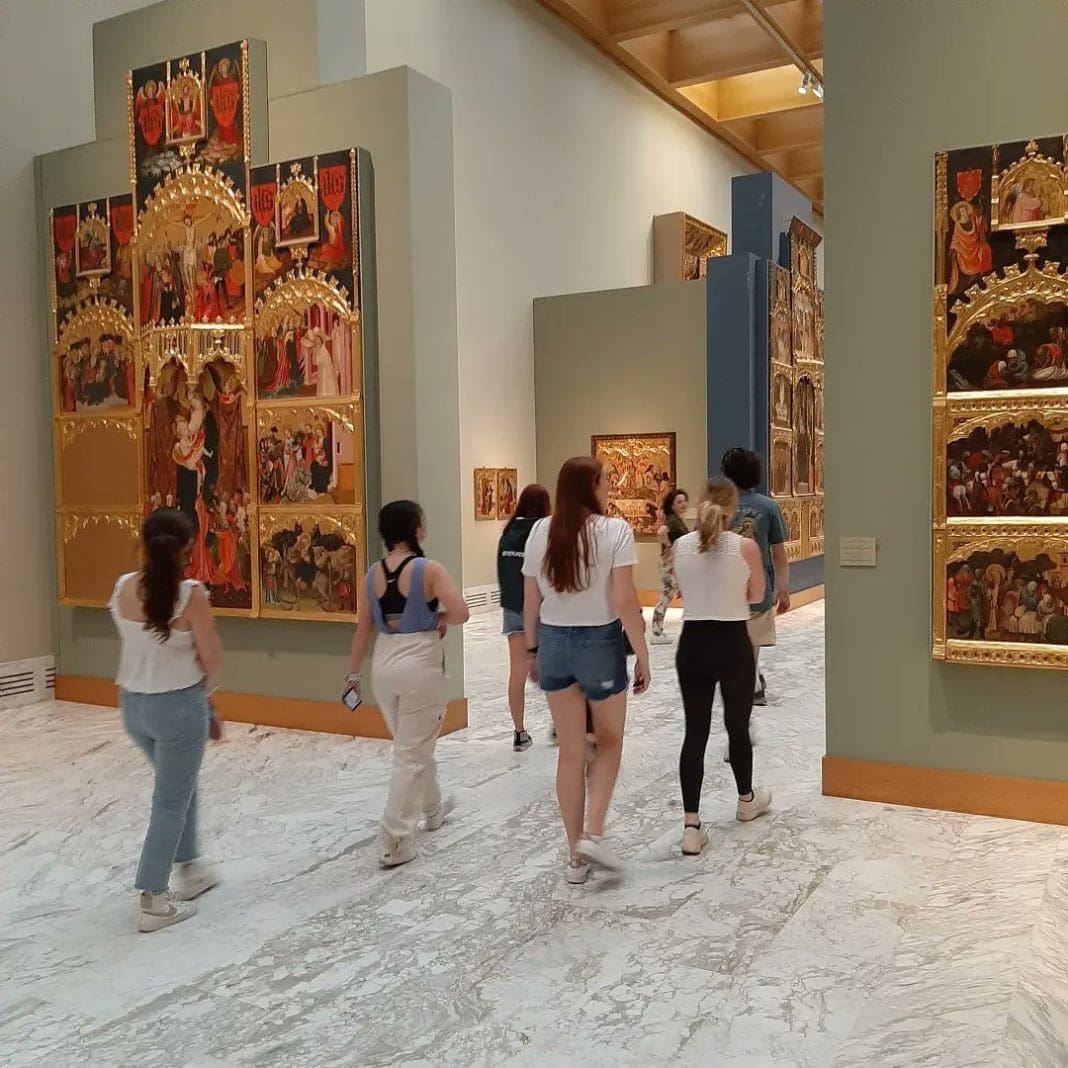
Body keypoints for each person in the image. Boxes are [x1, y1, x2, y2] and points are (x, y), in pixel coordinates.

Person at [522, 457, 650, 884]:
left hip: (553, 642)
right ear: (592, 485)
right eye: (606, 481)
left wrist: (532, 650)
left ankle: (575, 858)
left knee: (571, 751)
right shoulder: (615, 531)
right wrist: (643, 653)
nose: (610, 487)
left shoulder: (540, 531)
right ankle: (593, 833)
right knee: (610, 742)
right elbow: (624, 600)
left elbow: (530, 601)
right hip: (599, 641)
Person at [108, 509, 222, 933]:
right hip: (178, 708)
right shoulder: (190, 594)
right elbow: (211, 658)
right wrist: (208, 702)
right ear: (187, 548)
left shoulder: (123, 586)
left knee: (178, 786)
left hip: (133, 707)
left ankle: (190, 867)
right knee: (171, 800)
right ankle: (153, 898)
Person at [346, 501, 470, 869]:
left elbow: (363, 628)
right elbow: (461, 612)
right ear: (416, 528)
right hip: (419, 661)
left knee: (410, 744)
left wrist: (352, 675)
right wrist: (438, 618)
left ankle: (432, 808)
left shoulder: (373, 573)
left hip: (384, 663)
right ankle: (395, 839)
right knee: (410, 753)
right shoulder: (428, 569)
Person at [673, 477, 773, 857]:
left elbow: (682, 590)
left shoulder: (681, 546)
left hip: (693, 643)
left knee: (694, 733)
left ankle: (691, 825)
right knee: (737, 726)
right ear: (733, 508)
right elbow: (758, 595)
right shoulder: (744, 547)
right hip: (732, 642)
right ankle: (746, 800)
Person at [721, 448, 790, 707]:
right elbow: (779, 554)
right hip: (757, 584)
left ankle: (750, 681)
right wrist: (784, 589)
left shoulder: (715, 507)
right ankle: (752, 685)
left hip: (723, 585)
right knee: (751, 639)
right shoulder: (768, 506)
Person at [496, 483, 552, 751]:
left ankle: (519, 732)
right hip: (542, 610)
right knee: (552, 669)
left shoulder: (507, 533)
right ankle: (559, 724)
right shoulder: (544, 531)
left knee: (516, 673)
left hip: (512, 609)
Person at [651, 488, 690, 644]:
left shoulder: (677, 520)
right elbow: (661, 532)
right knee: (667, 594)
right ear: (672, 505)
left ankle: (658, 630)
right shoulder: (673, 520)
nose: (683, 504)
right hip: (670, 563)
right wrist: (669, 546)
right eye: (679, 502)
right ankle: (657, 631)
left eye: (684, 501)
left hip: (674, 562)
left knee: (673, 593)